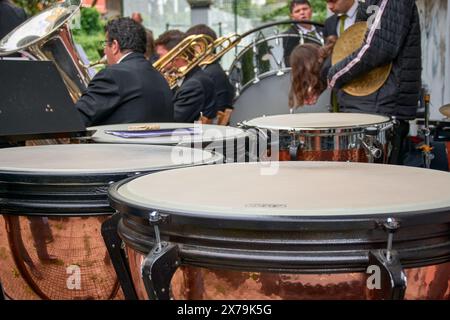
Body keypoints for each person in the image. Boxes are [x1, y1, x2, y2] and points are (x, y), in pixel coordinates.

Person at [327, 0, 421, 165]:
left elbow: (376, 49)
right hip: (371, 104)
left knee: (372, 183)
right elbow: (361, 41)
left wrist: (335, 75)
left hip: (379, 107)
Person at [75, 18, 173, 126]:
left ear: (114, 46)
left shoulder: (112, 76)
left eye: (105, 44)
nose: (104, 51)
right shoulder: (159, 76)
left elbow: (76, 119)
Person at [155, 30, 217, 123]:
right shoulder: (188, 77)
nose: (159, 60)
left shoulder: (193, 85)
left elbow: (171, 122)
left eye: (161, 55)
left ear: (177, 55)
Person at [185, 24, 235, 125]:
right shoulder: (213, 69)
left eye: (189, 47)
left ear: (201, 46)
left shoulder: (207, 73)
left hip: (206, 131)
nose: (186, 52)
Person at [283, 0, 324, 67]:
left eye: (305, 9)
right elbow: (289, 62)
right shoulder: (289, 35)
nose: (302, 12)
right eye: (297, 11)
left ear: (311, 10)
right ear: (292, 16)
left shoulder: (323, 27)